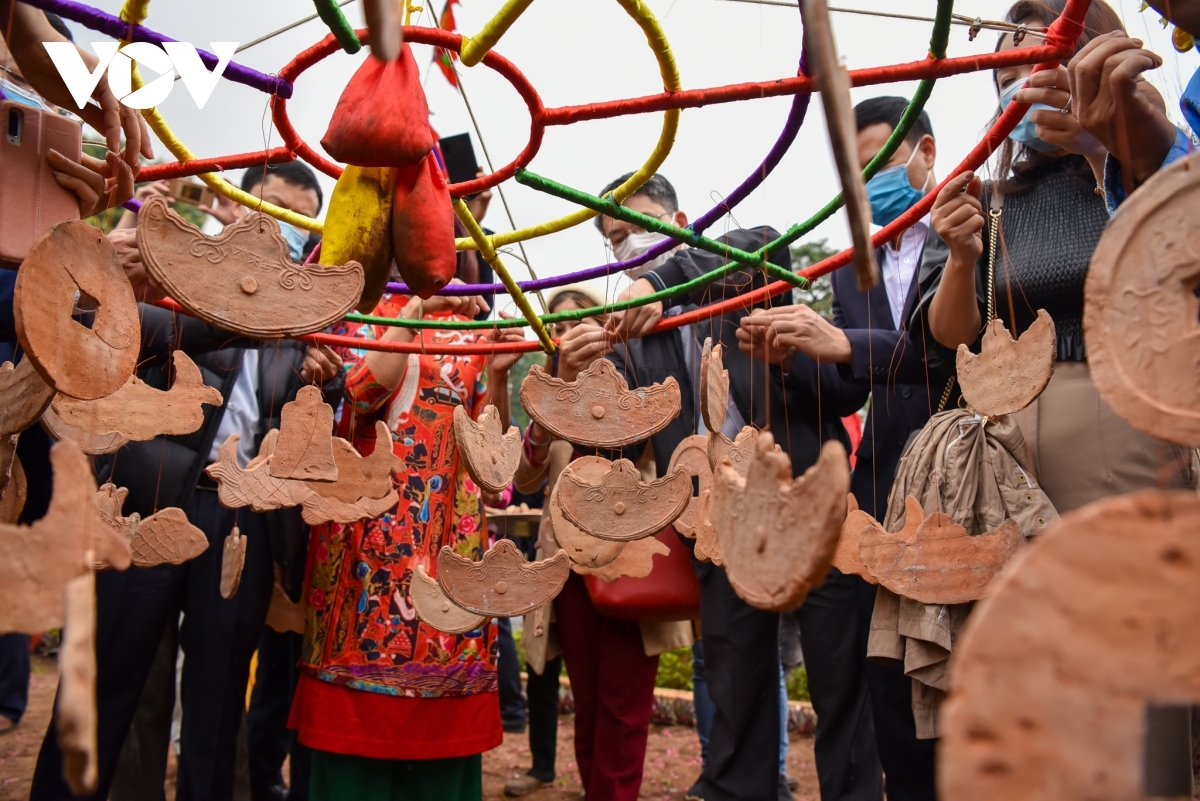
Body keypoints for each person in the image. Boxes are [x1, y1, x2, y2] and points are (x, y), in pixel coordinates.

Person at [31, 163, 345, 801]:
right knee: (101, 692)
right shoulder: (168, 274)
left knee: (218, 702)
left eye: (292, 223)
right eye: (267, 208)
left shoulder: (297, 322)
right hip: (144, 505)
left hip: (242, 520)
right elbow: (122, 334)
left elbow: (302, 420)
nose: (274, 231)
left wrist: (323, 379)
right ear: (230, 208)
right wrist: (255, 314)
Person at [573, 173, 876, 801]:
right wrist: (581, 374)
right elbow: (626, 442)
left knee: (838, 667)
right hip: (718, 516)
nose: (626, 245)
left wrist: (659, 279)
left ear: (680, 219)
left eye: (636, 226)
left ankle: (851, 791)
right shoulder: (634, 332)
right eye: (615, 240)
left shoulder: (739, 266)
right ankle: (740, 789)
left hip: (806, 494)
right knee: (737, 672)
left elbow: (765, 240)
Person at [742, 97, 951, 800]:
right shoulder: (848, 269)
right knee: (864, 682)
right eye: (855, 170)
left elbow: (947, 349)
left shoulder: (965, 235)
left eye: (881, 160)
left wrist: (843, 342)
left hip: (955, 485)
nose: (869, 180)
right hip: (874, 492)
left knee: (944, 686)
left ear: (925, 152)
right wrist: (789, 354)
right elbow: (842, 392)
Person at [918, 0, 1193, 520]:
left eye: (1042, 66)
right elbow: (951, 339)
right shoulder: (989, 199)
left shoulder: (1155, 168)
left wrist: (1102, 150)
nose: (1022, 89)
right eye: (1006, 79)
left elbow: (1172, 263)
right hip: (1003, 453)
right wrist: (959, 256)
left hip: (1129, 432)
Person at [288, 240, 524, 799]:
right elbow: (362, 393)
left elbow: (497, 473)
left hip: (448, 564)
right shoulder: (347, 320)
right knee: (350, 766)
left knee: (444, 764)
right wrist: (406, 318)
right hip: (360, 560)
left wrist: (496, 379)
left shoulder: (469, 336)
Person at [501, 288, 602, 798]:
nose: (569, 334)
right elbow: (522, 479)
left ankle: (600, 777)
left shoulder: (620, 395)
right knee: (541, 663)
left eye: (579, 322)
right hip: (553, 555)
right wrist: (550, 404)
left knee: (601, 677)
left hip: (609, 559)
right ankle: (542, 765)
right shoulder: (543, 398)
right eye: (559, 327)